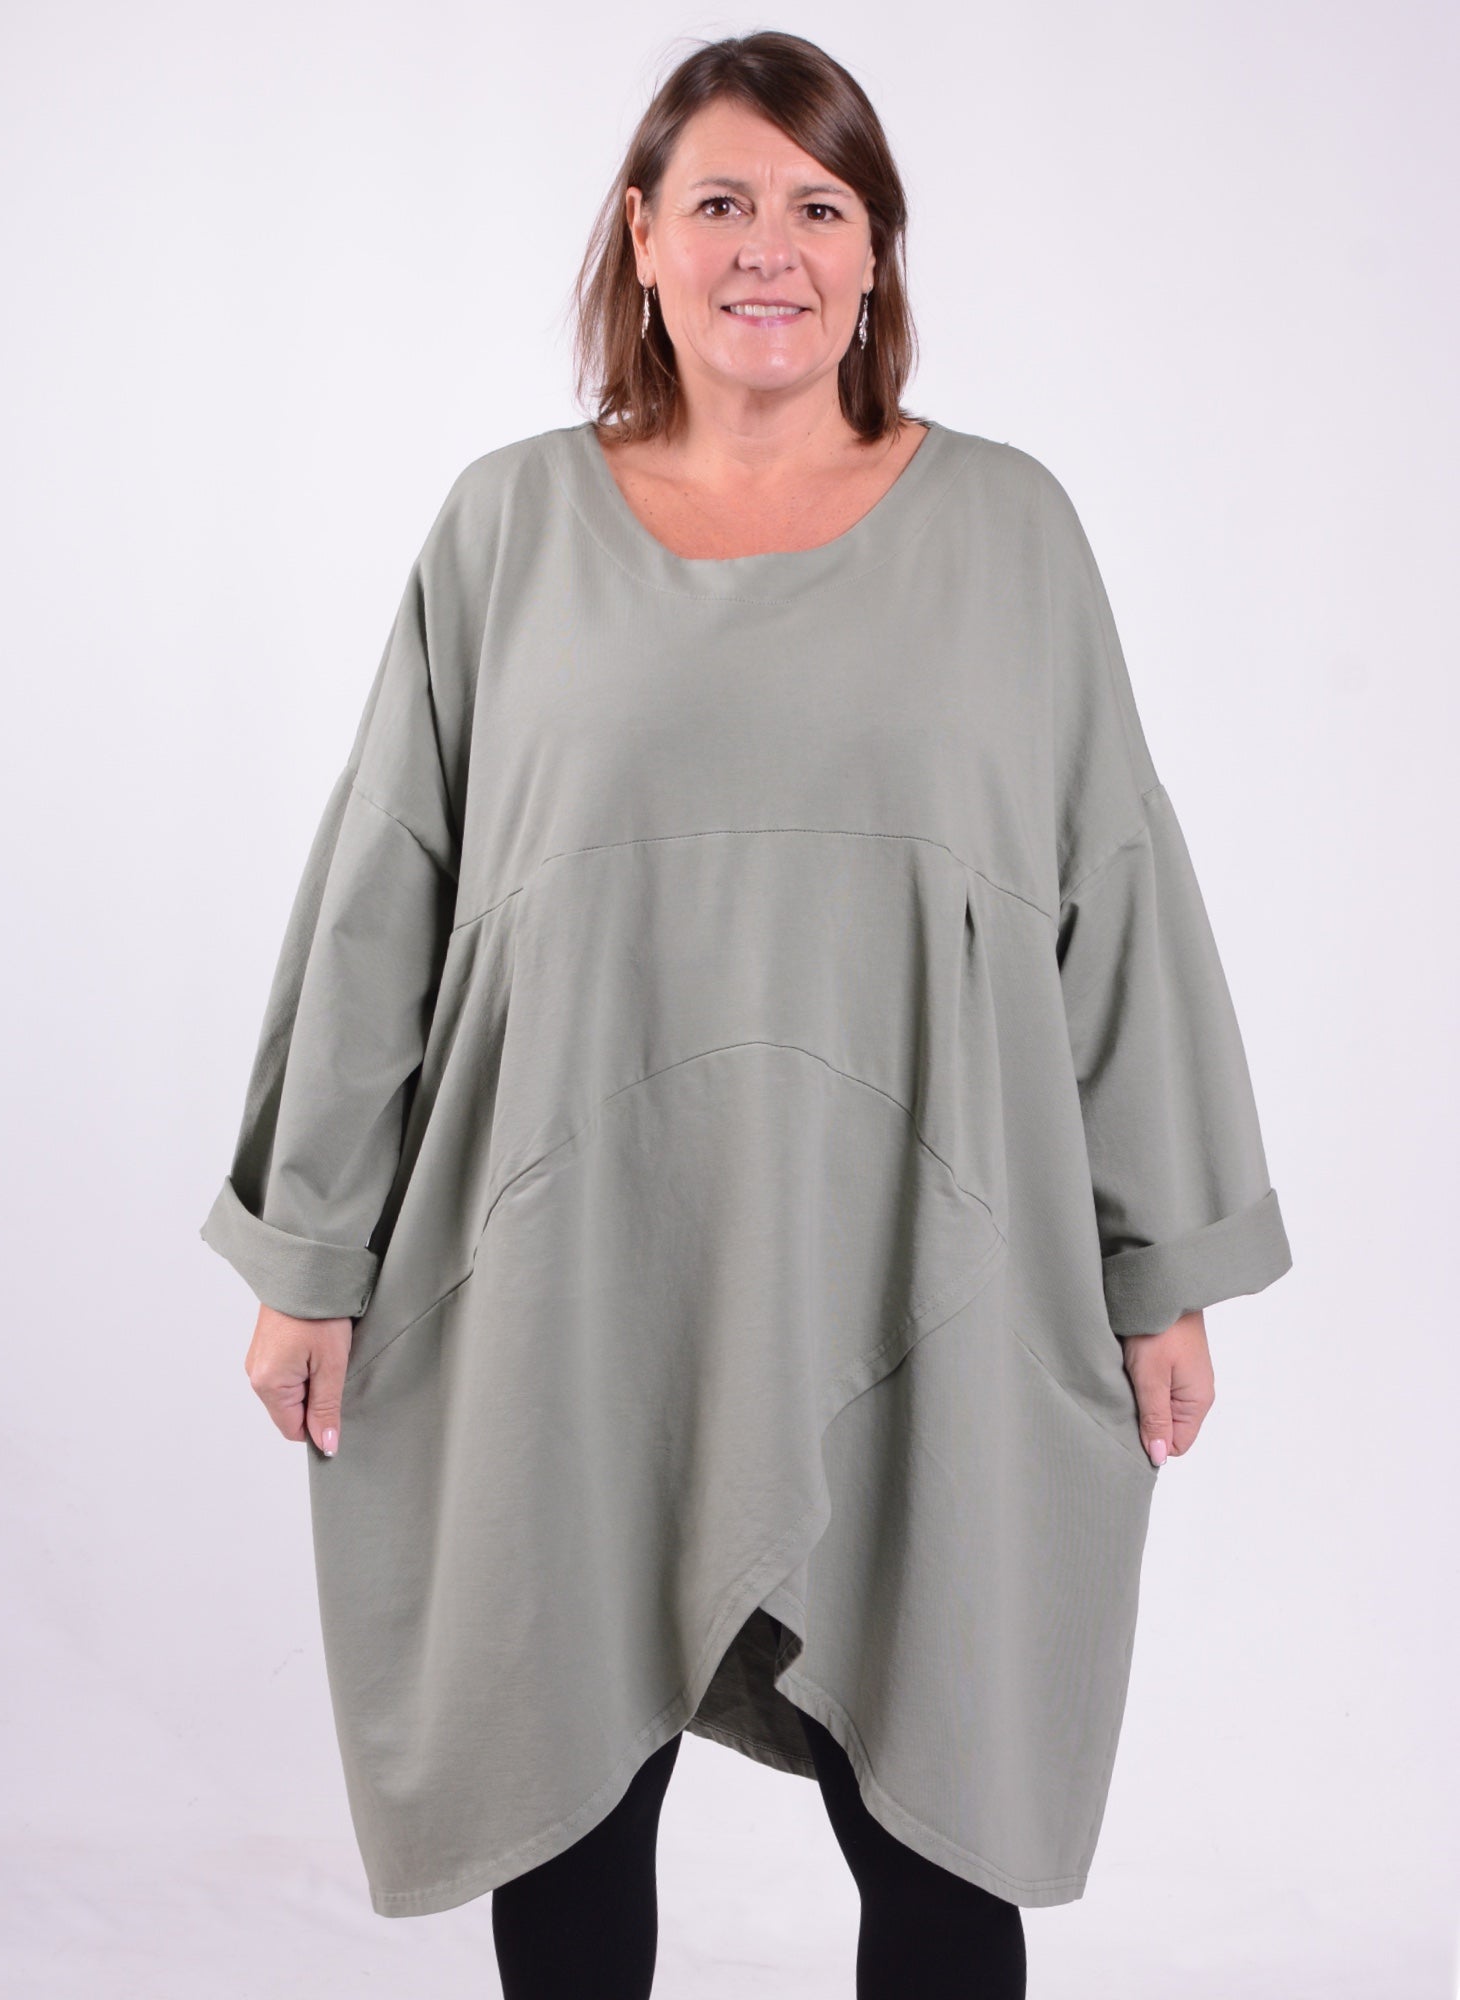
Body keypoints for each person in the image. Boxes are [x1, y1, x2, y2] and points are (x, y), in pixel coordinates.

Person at [199, 29, 1292, 2000]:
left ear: (876, 252)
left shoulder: (1012, 534)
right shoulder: (506, 531)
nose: (765, 247)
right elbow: (384, 906)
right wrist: (310, 1254)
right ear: (642, 237)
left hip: (931, 1272)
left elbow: (1116, 899)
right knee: (563, 1810)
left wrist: (1165, 1268)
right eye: (719, 201)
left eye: (817, 204)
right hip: (571, 1270)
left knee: (942, 1828)